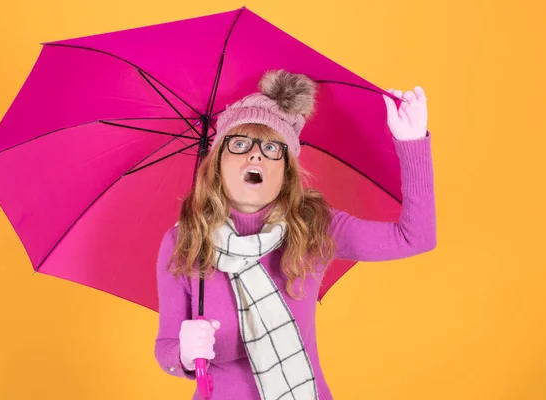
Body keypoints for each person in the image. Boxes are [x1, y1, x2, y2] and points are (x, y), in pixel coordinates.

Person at [154, 69, 436, 400]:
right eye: (240, 143)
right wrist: (184, 355)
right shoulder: (184, 241)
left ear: (287, 171)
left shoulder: (315, 226)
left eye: (272, 147)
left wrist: (412, 143)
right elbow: (166, 346)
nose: (255, 154)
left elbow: (414, 237)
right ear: (217, 164)